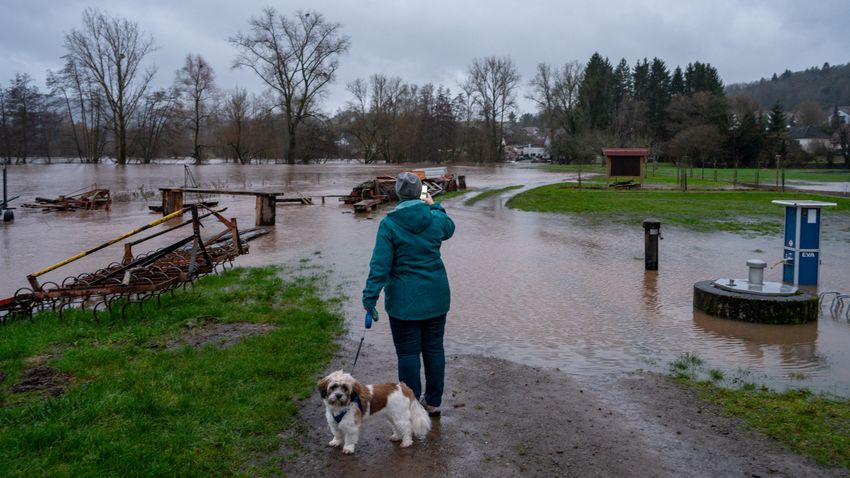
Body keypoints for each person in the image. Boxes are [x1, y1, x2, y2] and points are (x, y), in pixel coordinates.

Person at [362, 172, 455, 416]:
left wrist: (369, 298)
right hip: (436, 298)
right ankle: (433, 402)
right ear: (420, 193)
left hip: (403, 302)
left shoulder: (389, 224)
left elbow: (380, 267)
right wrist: (436, 207)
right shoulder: (434, 219)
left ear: (398, 194)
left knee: (408, 353)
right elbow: (449, 228)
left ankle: (412, 406)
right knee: (434, 349)